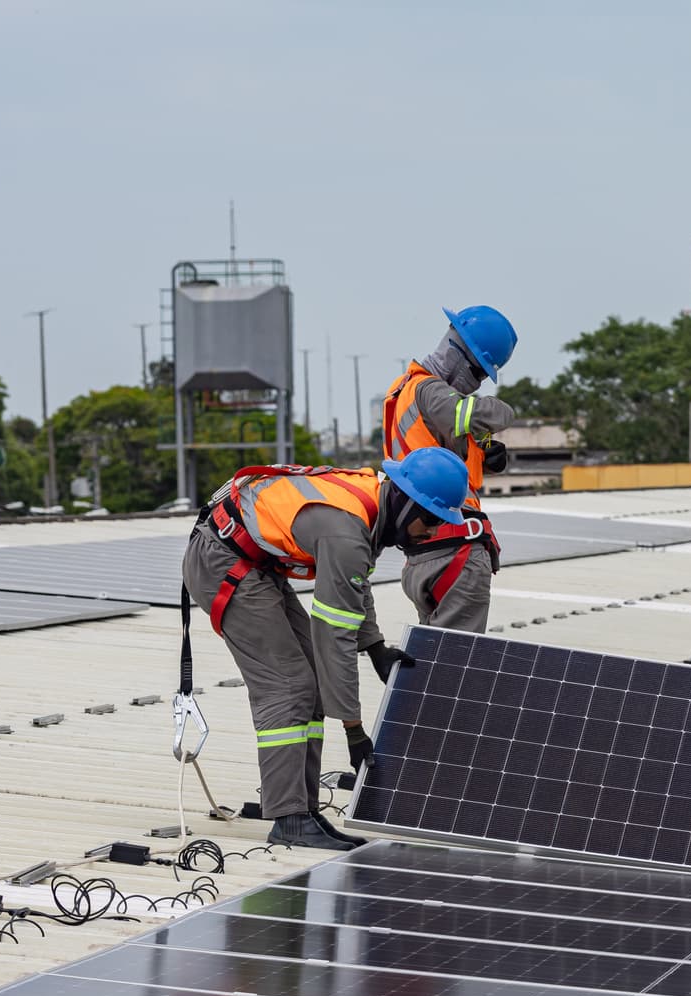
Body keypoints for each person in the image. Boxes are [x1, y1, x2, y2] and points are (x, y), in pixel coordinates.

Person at [181, 448, 473, 851]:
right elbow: (333, 637)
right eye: (432, 519)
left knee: (312, 683)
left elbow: (354, 583)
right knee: (287, 687)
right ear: (406, 504)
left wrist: (375, 647)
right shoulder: (345, 530)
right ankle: (289, 818)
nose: (432, 532)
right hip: (222, 562)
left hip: (253, 562)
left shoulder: (371, 507)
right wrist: (354, 731)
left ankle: (304, 811)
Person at [381, 305, 520, 631]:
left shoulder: (403, 389)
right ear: (460, 355)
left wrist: (481, 455)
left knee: (434, 655)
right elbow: (476, 414)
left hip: (422, 551)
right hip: (454, 546)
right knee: (456, 659)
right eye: (479, 373)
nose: (478, 384)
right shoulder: (431, 391)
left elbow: (430, 455)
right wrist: (503, 410)